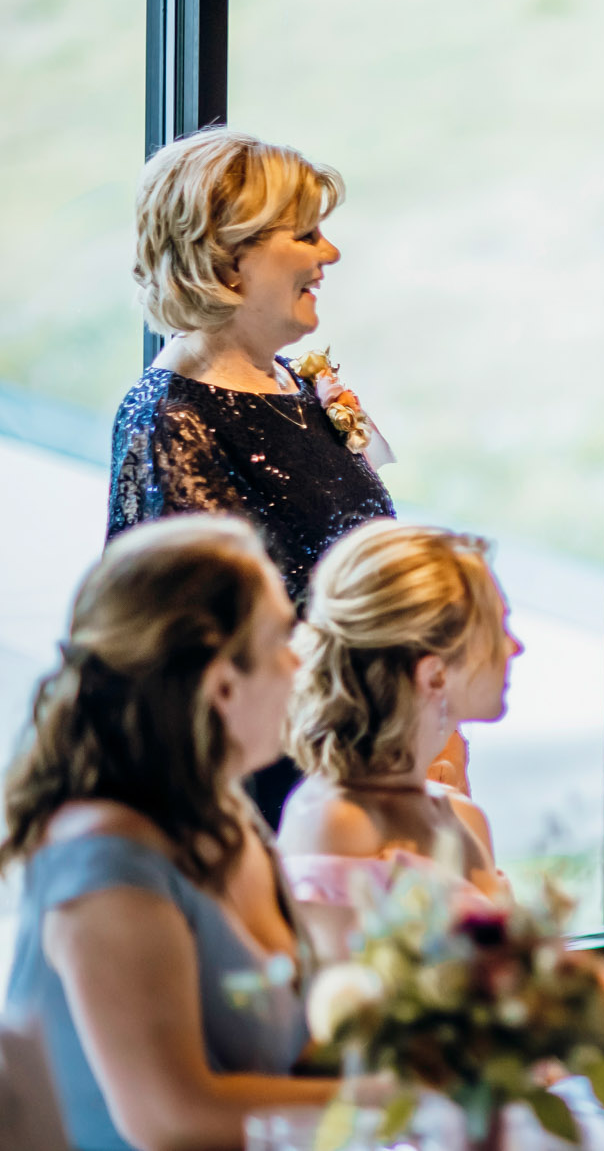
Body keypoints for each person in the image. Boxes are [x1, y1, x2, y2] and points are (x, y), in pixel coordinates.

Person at [106, 127, 467, 826]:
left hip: (363, 758)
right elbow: (212, 645)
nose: (328, 254)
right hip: (276, 792)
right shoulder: (171, 417)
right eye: (305, 235)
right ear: (226, 256)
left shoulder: (298, 387)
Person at [2, 516, 338, 1150]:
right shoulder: (104, 858)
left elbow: (279, 1062)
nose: (298, 663)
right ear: (222, 684)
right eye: (279, 641)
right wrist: (404, 1098)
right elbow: (173, 1116)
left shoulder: (227, 813)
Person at [277, 520, 518, 963]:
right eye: (499, 630)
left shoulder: (460, 814)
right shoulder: (336, 822)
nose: (515, 647)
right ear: (435, 674)